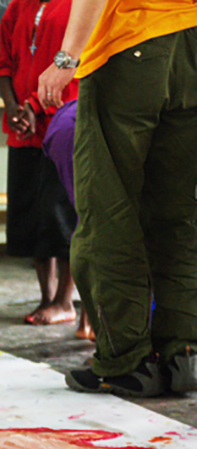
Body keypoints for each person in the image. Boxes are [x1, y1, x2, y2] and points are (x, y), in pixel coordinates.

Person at [39, 0, 197, 396]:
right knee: (178, 214)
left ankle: (126, 362)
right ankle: (182, 352)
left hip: (131, 46)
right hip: (191, 45)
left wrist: (66, 57)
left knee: (108, 211)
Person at [0, 0, 80, 327]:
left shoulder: (76, 6)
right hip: (23, 130)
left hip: (61, 125)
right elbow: (3, 65)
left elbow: (74, 66)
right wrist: (14, 107)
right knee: (32, 216)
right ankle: (47, 296)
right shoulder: (17, 8)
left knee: (63, 216)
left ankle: (65, 301)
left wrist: (32, 105)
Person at [40, 99, 93, 340]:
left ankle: (92, 322)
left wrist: (62, 62)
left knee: (92, 225)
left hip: (71, 126)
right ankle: (91, 321)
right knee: (91, 225)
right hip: (71, 128)